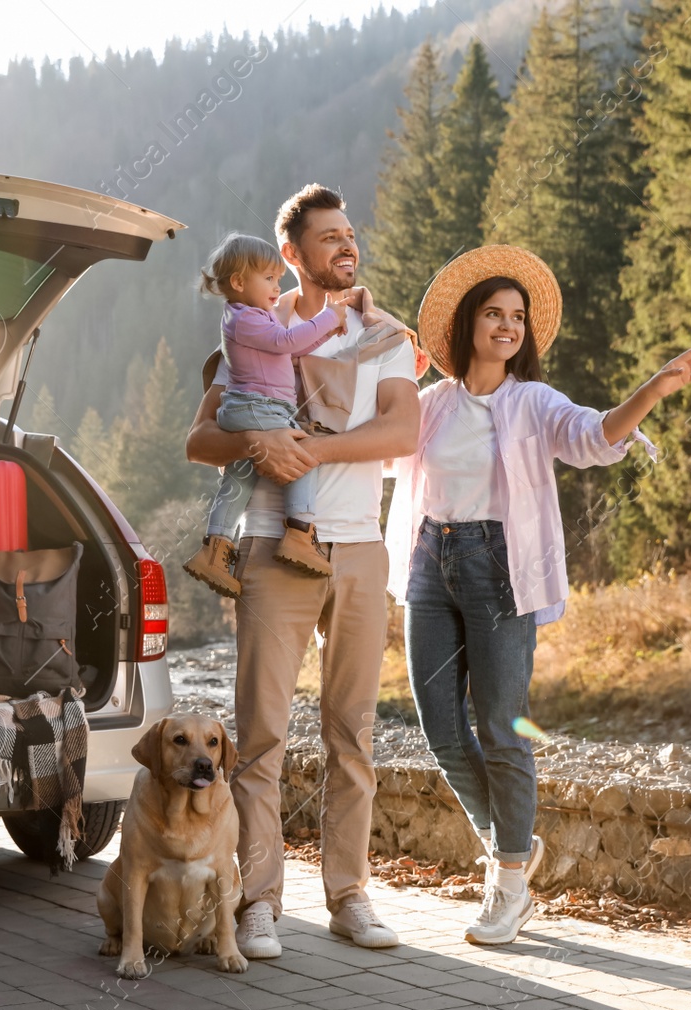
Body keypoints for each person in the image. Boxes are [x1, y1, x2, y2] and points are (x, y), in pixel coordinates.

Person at [386, 245, 691, 945]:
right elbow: (376, 448)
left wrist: (653, 388)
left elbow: (595, 437)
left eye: (517, 317)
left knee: (503, 727)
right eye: (495, 313)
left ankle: (508, 882)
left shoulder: (533, 402)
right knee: (441, 727)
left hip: (500, 567)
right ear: (468, 323)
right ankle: (510, 836)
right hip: (427, 564)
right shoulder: (430, 405)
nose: (507, 325)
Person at [186, 184, 421, 957]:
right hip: (269, 549)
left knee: (354, 732)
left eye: (350, 234)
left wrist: (310, 449)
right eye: (328, 238)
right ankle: (258, 901)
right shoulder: (255, 327)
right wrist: (262, 444)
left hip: (358, 550)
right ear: (291, 255)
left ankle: (349, 895)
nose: (346, 247)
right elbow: (201, 439)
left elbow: (401, 429)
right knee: (260, 737)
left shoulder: (385, 334)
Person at [183, 233, 351, 598]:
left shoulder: (252, 316)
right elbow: (286, 343)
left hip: (247, 410)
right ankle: (299, 534)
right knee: (304, 454)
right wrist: (329, 316)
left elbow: (291, 349)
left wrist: (325, 332)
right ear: (239, 282)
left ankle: (215, 549)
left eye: (278, 278)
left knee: (241, 478)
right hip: (261, 409)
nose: (278, 286)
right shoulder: (245, 319)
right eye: (269, 279)